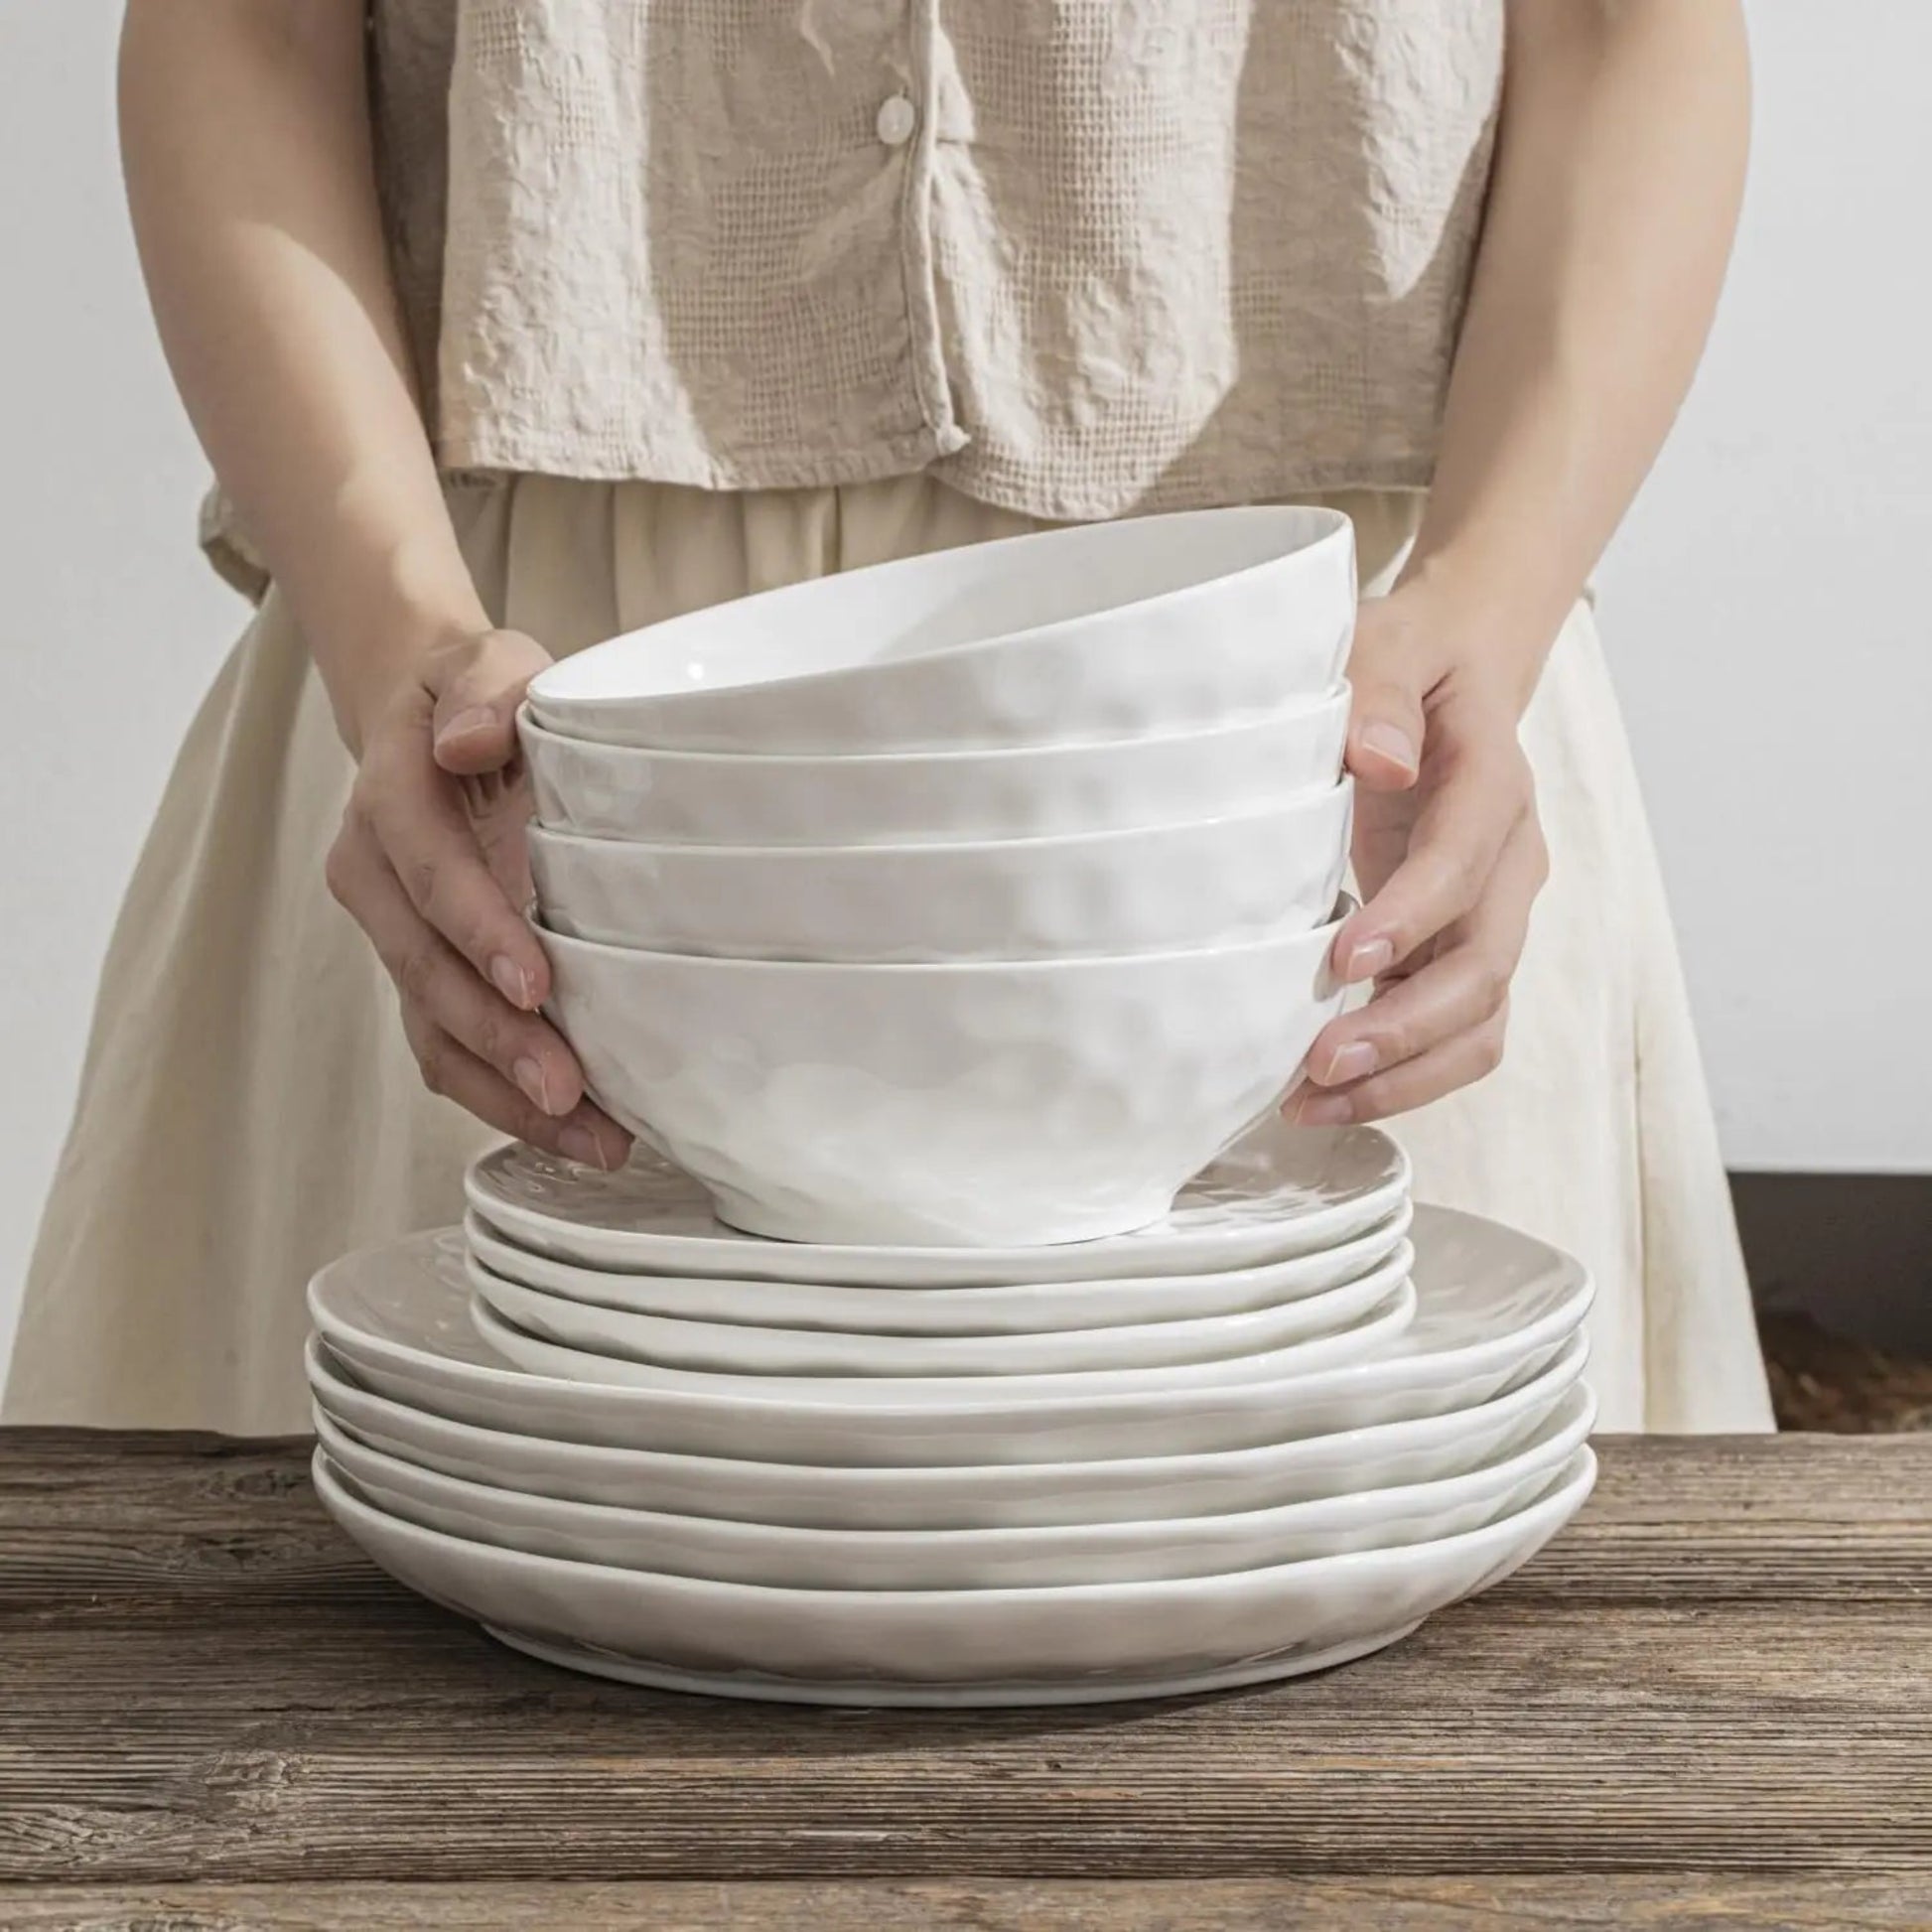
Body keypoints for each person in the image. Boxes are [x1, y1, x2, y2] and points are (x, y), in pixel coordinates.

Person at [6, 0, 1773, 1435]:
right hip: (518, 732)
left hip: (1334, 741)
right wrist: (394, 626)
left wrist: (1494, 594)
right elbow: (239, 26)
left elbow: (1636, 25)